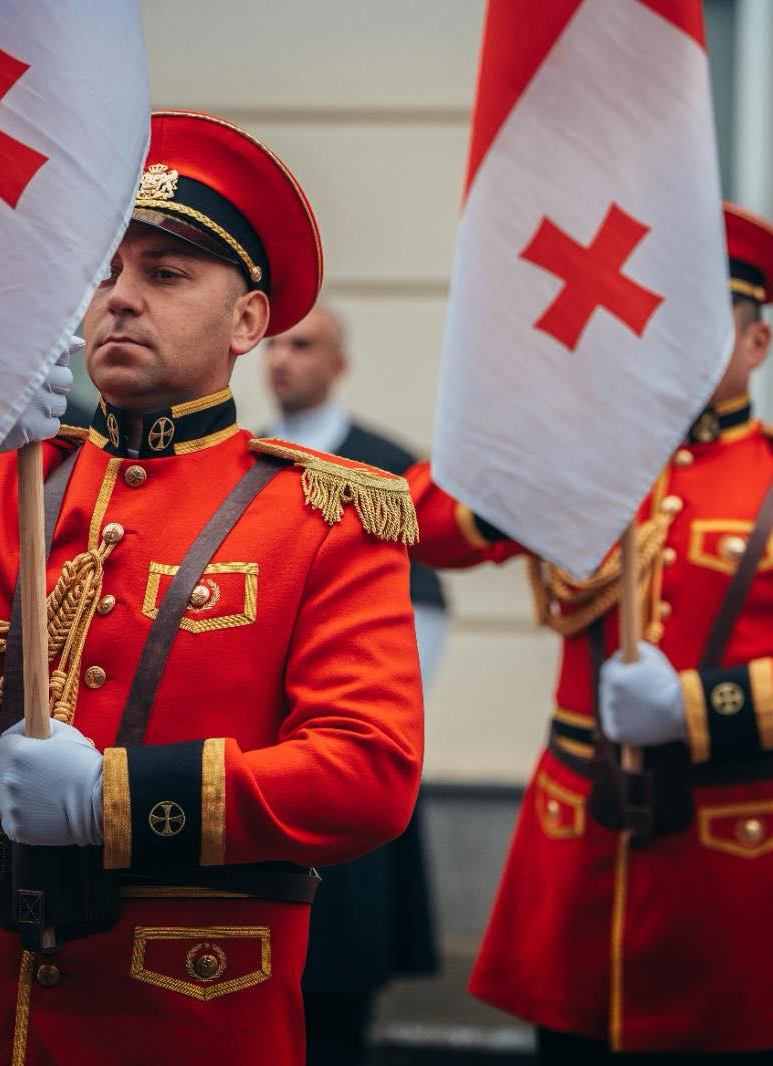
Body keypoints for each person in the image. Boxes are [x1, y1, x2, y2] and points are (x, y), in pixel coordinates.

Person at [0, 112, 424, 1066]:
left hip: (180, 1007)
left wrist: (114, 797)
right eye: (106, 274)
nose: (121, 300)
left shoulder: (323, 516)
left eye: (166, 275)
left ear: (250, 322)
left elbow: (366, 778)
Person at [406, 206, 773, 1062]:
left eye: (709, 321)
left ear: (756, 347)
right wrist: (532, 426)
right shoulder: (583, 456)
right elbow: (420, 527)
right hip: (580, 858)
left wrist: (694, 705)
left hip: (729, 869)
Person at [263, 306, 440, 1064]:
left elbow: (423, 619)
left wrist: (366, 714)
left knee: (337, 988)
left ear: (339, 364)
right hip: (254, 753)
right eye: (273, 342)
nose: (282, 359)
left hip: (341, 743)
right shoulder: (245, 456)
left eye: (303, 344)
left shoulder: (385, 467)